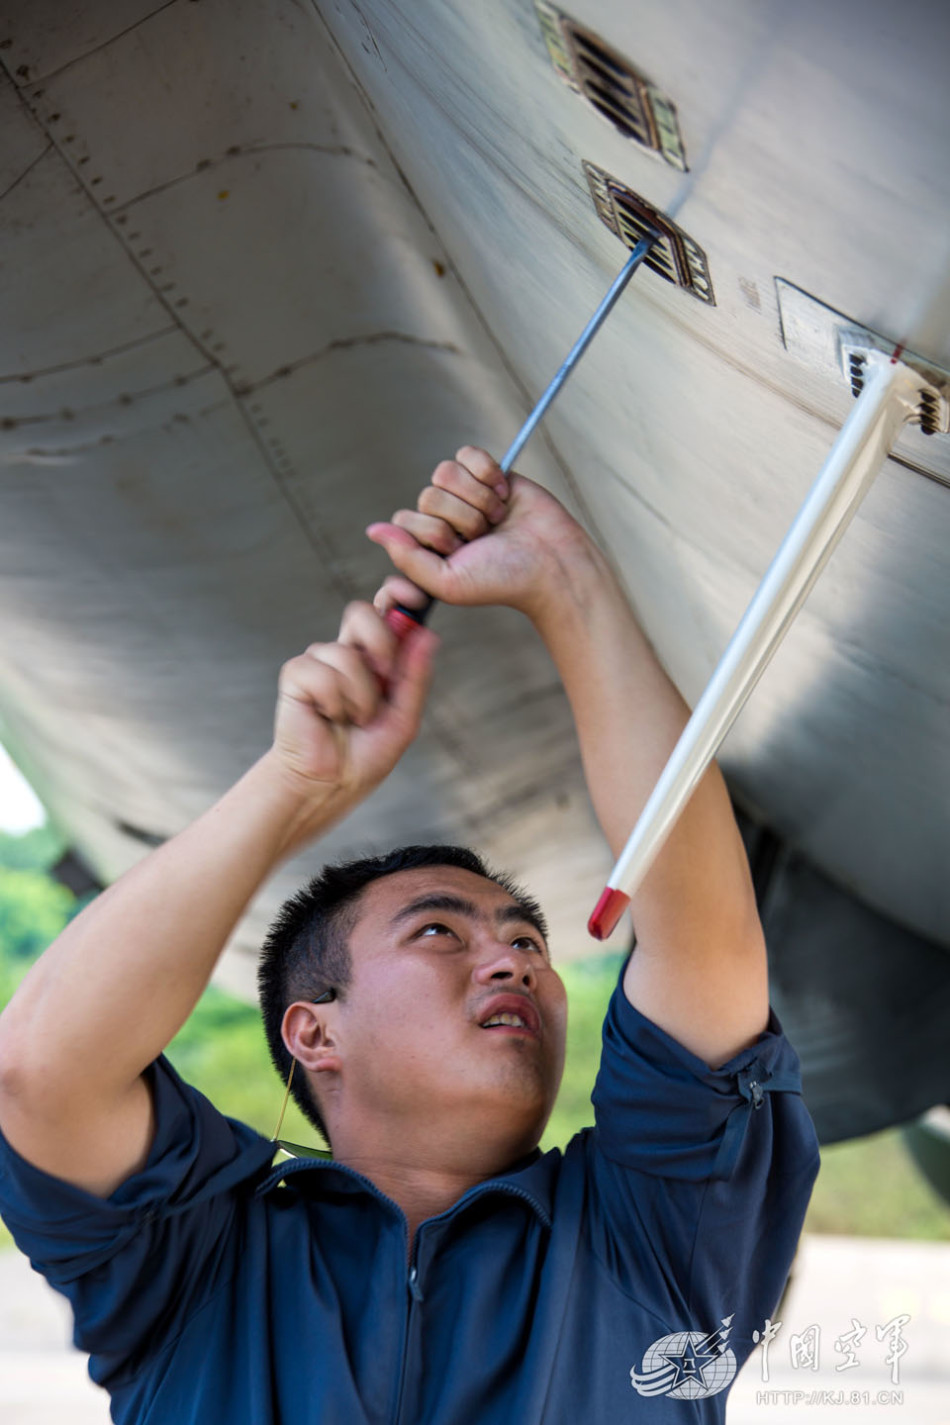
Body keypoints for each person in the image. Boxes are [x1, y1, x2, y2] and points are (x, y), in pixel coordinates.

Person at [0, 447, 819, 1422]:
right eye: (439, 931)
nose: (514, 954)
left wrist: (564, 581)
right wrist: (290, 784)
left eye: (527, 939)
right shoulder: (191, 1262)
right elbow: (40, 1073)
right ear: (314, 1032)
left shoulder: (651, 1237)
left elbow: (703, 935)